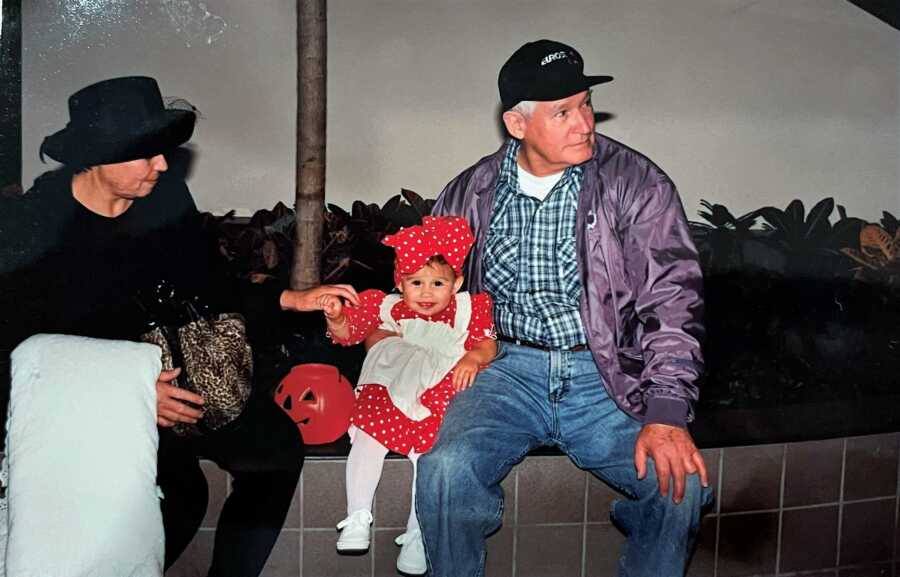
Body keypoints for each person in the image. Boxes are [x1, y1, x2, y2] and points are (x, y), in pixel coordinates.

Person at [0, 76, 359, 577]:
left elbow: (211, 287)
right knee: (181, 496)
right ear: (98, 154)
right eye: (146, 155)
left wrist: (292, 298)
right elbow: (27, 356)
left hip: (187, 380)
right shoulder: (32, 227)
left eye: (163, 152)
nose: (163, 165)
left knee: (275, 450)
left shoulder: (164, 198)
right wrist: (132, 393)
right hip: (89, 404)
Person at [417, 40, 714, 577]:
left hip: (605, 377)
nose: (584, 123)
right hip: (502, 371)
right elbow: (427, 296)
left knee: (681, 485)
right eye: (562, 112)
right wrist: (375, 333)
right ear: (517, 123)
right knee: (445, 471)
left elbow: (672, 299)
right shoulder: (471, 192)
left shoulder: (634, 183)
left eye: (585, 104)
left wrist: (667, 410)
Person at [319, 216, 496, 575]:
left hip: (435, 391)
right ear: (399, 283)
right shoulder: (387, 306)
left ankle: (417, 535)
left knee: (427, 458)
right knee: (367, 440)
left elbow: (487, 342)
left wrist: (474, 357)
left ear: (457, 282)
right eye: (416, 283)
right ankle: (357, 515)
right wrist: (336, 319)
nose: (427, 293)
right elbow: (351, 331)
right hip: (390, 386)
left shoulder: (468, 309)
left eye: (437, 283)